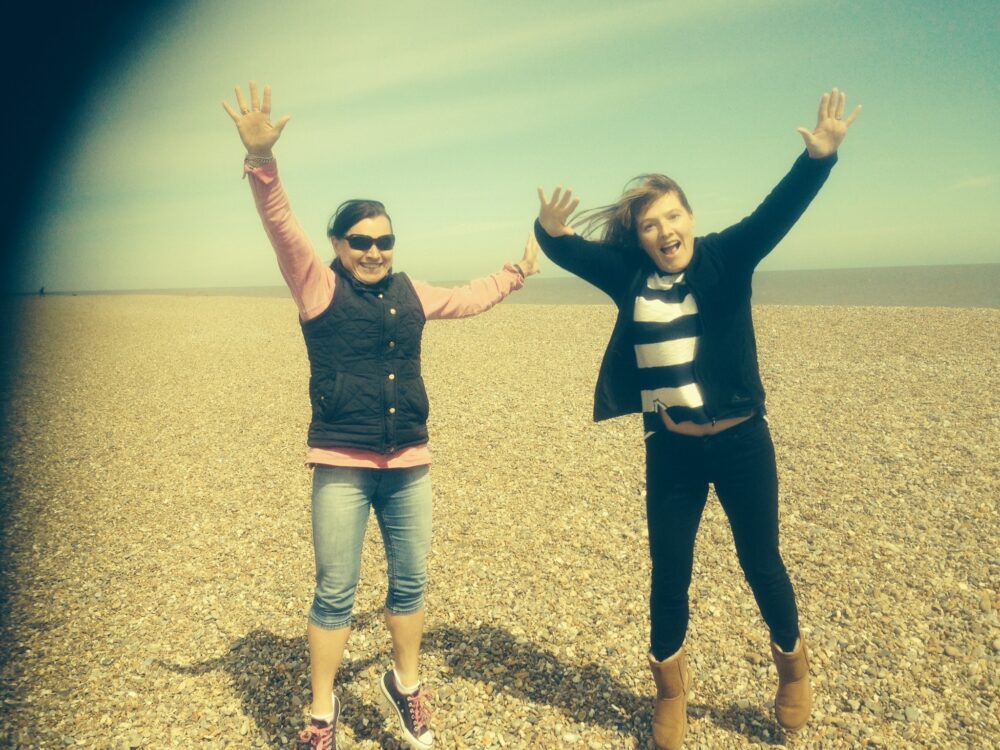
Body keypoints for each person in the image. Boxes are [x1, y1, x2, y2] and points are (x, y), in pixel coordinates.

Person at [534, 89, 860, 749]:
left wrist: (818, 159)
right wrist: (548, 230)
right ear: (642, 236)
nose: (664, 231)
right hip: (672, 450)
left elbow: (779, 212)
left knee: (761, 558)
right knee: (669, 571)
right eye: (651, 224)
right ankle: (671, 693)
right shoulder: (629, 273)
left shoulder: (727, 256)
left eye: (672, 216)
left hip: (743, 442)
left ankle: (792, 667)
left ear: (691, 216)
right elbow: (568, 252)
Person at [223, 81, 540, 750]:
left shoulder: (411, 291)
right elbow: (282, 224)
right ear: (338, 243)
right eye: (361, 239)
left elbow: (468, 297)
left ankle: (405, 683)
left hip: (409, 465)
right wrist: (262, 163)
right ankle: (320, 715)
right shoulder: (318, 286)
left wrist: (515, 272)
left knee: (411, 582)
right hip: (342, 462)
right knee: (336, 591)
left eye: (385, 238)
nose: (375, 249)